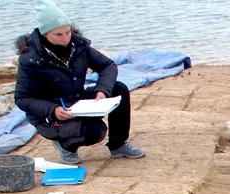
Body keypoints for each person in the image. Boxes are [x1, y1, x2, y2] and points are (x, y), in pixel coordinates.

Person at [14, 0, 144, 164]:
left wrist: (102, 90)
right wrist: (53, 110)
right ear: (45, 34)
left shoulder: (79, 45)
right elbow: (22, 99)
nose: (66, 38)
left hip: (76, 98)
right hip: (50, 111)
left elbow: (108, 66)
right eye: (59, 35)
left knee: (119, 89)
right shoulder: (30, 59)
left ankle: (118, 145)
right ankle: (65, 146)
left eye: (68, 32)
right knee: (94, 132)